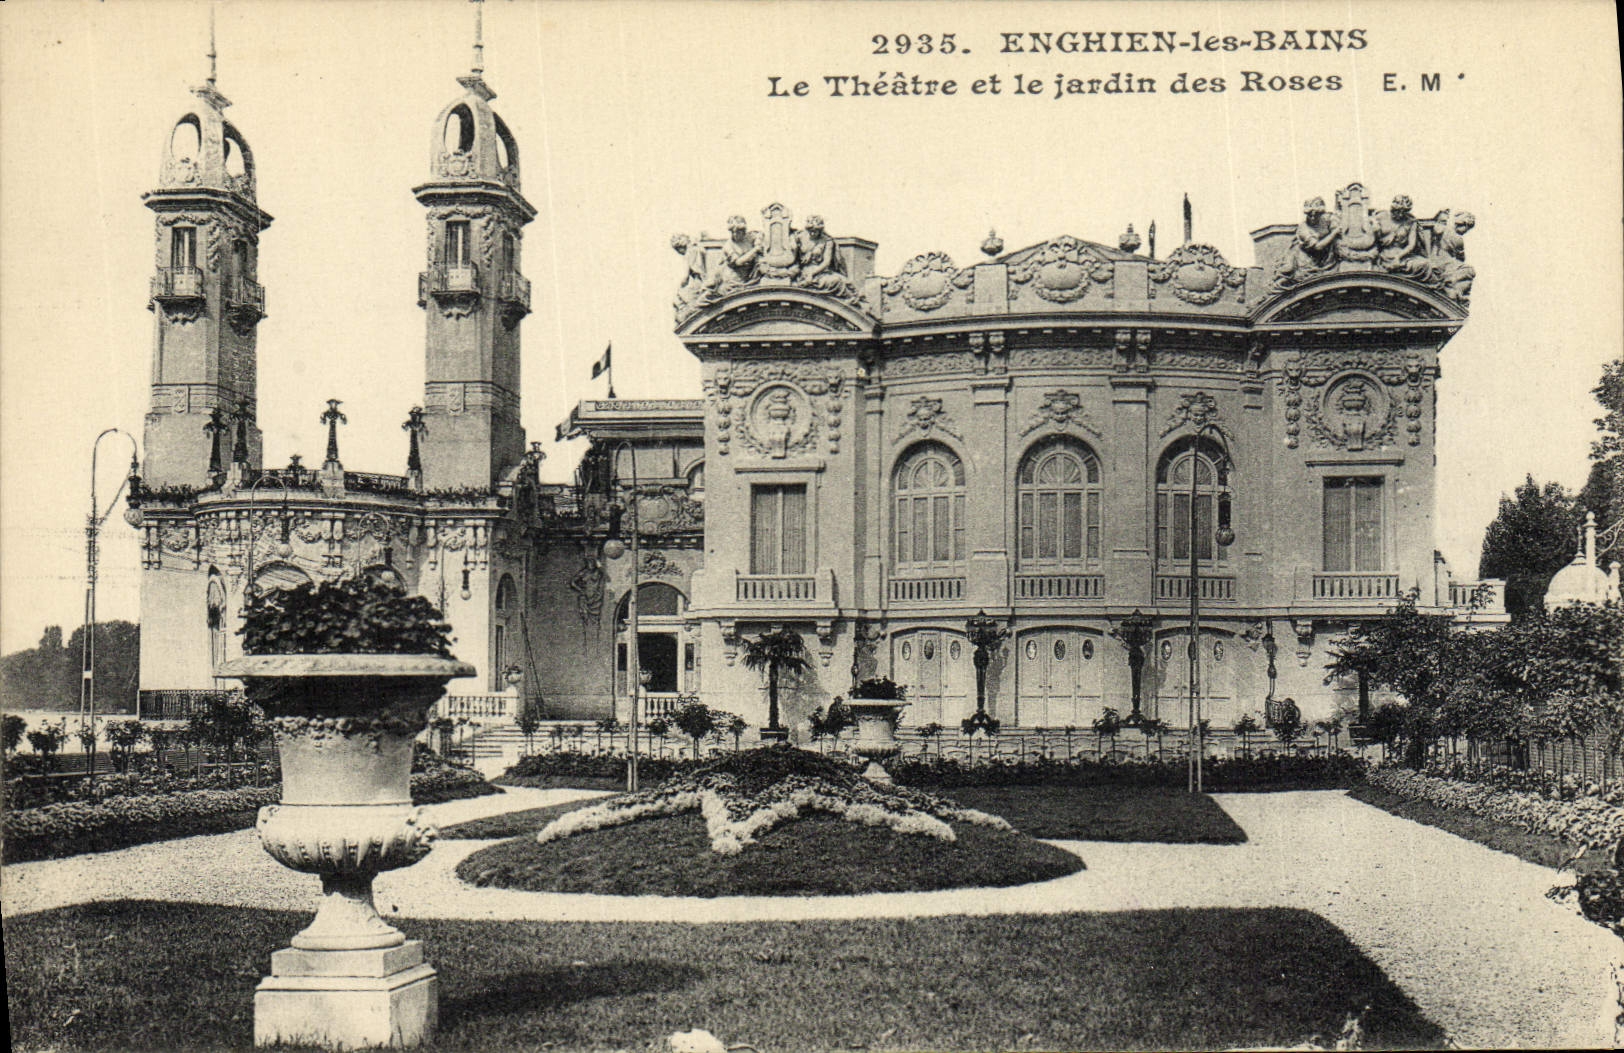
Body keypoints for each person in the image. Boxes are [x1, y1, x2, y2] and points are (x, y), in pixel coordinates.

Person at [793, 215, 853, 297]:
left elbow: (826, 262)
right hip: (805, 272)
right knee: (836, 281)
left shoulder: (827, 241)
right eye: (810, 230)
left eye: (815, 231)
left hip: (820, 271)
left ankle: (854, 302)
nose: (812, 233)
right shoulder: (800, 237)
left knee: (846, 282)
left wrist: (812, 274)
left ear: (820, 230)